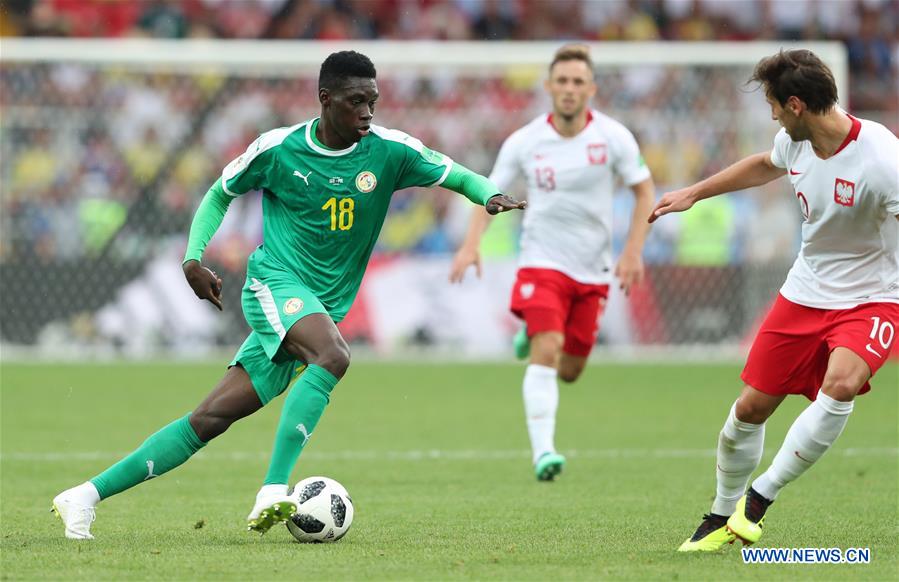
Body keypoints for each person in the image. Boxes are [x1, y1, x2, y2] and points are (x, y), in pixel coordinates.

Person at [51, 51, 525, 540]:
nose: (367, 112)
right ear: (326, 99)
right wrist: (193, 258)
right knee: (334, 355)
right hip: (273, 285)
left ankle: (83, 496)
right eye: (355, 101)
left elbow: (457, 174)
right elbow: (220, 193)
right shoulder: (278, 149)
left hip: (316, 307)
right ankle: (273, 490)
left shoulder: (390, 151)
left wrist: (488, 194)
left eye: (373, 101)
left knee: (208, 420)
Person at [649, 49, 899, 551]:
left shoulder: (881, 159)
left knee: (843, 382)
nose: (771, 117)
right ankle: (720, 514)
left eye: (774, 106)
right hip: (804, 293)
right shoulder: (795, 142)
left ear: (796, 104)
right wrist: (695, 193)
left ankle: (759, 499)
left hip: (875, 297)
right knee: (749, 410)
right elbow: (764, 165)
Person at [449, 44, 655, 481]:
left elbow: (643, 190)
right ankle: (544, 453)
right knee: (547, 349)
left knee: (572, 370)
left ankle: (531, 330)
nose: (569, 89)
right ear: (548, 86)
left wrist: (633, 250)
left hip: (593, 269)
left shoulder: (613, 137)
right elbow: (488, 193)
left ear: (591, 89)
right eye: (561, 81)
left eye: (578, 81)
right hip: (541, 260)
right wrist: (471, 246)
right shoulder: (524, 141)